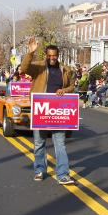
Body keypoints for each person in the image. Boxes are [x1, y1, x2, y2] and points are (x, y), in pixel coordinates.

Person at [20, 37, 75, 185]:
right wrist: (30, 53)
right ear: (46, 55)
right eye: (49, 55)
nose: (52, 58)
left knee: (60, 144)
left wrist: (64, 90)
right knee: (39, 143)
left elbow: (72, 87)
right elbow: (24, 68)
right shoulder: (38, 67)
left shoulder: (65, 69)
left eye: (54, 55)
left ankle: (63, 174)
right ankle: (39, 170)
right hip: (41, 110)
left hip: (57, 111)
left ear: (58, 55)